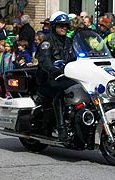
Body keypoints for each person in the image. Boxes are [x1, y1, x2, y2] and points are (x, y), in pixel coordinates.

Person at [35, 11, 77, 141]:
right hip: (48, 80)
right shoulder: (46, 43)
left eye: (66, 25)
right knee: (61, 93)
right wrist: (53, 70)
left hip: (66, 78)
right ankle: (61, 129)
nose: (64, 28)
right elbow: (45, 60)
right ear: (54, 27)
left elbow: (79, 56)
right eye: (60, 25)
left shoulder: (70, 42)